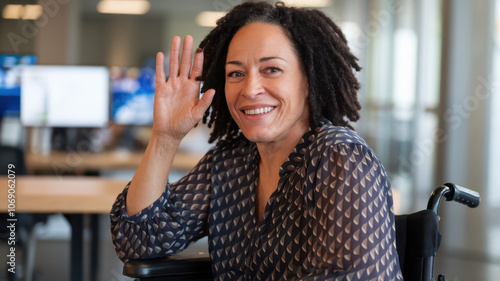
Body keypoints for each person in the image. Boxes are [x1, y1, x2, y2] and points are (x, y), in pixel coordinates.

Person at [110, 2, 403, 280]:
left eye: (271, 69)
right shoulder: (229, 163)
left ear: (309, 80)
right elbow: (140, 239)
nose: (250, 89)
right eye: (236, 73)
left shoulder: (340, 157)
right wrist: (165, 137)